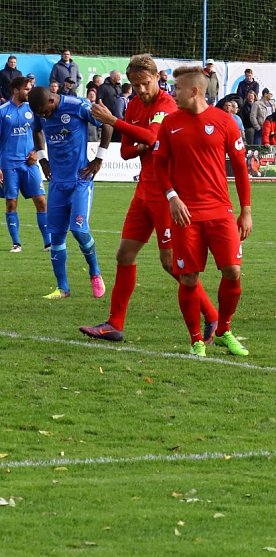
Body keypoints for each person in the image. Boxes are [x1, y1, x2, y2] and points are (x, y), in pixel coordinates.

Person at [79, 54, 219, 343]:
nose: (141, 90)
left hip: (167, 195)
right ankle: (114, 324)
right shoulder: (133, 105)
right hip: (144, 191)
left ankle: (211, 314)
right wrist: (139, 137)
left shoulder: (167, 104)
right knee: (124, 254)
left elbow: (152, 138)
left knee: (170, 262)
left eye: (145, 83)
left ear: (157, 78)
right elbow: (128, 150)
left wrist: (116, 122)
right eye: (135, 84)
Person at [152, 66, 252, 357]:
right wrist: (172, 197)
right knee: (188, 278)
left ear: (195, 90)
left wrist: (246, 210)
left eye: (177, 88)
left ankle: (224, 331)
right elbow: (159, 165)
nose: (173, 93)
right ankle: (196, 340)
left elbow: (241, 168)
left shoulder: (225, 121)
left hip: (220, 211)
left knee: (233, 271)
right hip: (185, 214)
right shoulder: (170, 123)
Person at [28, 85, 114, 300]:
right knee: (55, 236)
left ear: (51, 100)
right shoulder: (41, 112)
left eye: (45, 112)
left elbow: (108, 123)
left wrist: (99, 158)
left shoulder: (77, 106)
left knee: (78, 229)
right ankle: (62, 288)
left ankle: (95, 273)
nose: (44, 116)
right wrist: (43, 158)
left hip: (80, 180)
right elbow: (36, 130)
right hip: (57, 182)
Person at [0, 77, 50, 253]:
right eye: (26, 89)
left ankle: (48, 243)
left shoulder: (34, 110)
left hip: (29, 163)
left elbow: (40, 134)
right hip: (8, 164)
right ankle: (16, 243)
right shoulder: (3, 111)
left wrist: (37, 152)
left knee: (41, 201)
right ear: (15, 90)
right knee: (11, 203)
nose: (29, 92)